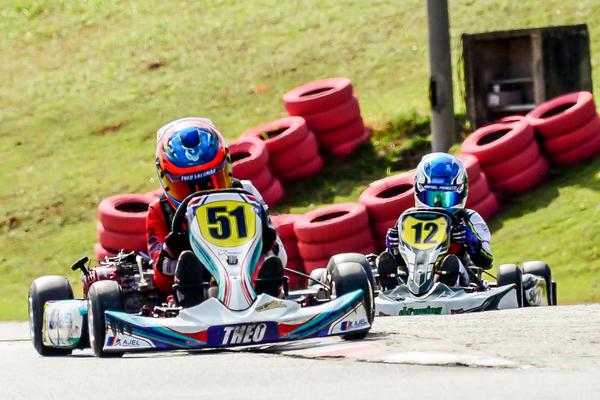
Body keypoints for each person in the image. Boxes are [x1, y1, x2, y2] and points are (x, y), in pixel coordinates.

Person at [146, 117, 287, 305]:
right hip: (193, 298)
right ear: (166, 180)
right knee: (187, 264)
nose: (202, 194)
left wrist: (268, 242)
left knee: (266, 257)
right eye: (188, 187)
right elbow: (161, 283)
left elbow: (282, 258)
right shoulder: (160, 211)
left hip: (249, 280)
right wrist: (171, 251)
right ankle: (194, 296)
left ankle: (266, 290)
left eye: (212, 182)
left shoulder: (246, 193)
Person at [379, 152, 493, 290]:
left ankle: (446, 280)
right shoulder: (408, 218)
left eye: (445, 198)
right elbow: (399, 261)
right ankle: (389, 285)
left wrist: (471, 241)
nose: (437, 205)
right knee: (384, 260)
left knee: (451, 263)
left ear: (460, 193)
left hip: (459, 282)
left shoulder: (468, 218)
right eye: (432, 197)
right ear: (419, 192)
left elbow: (487, 261)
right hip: (412, 276)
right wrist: (393, 247)